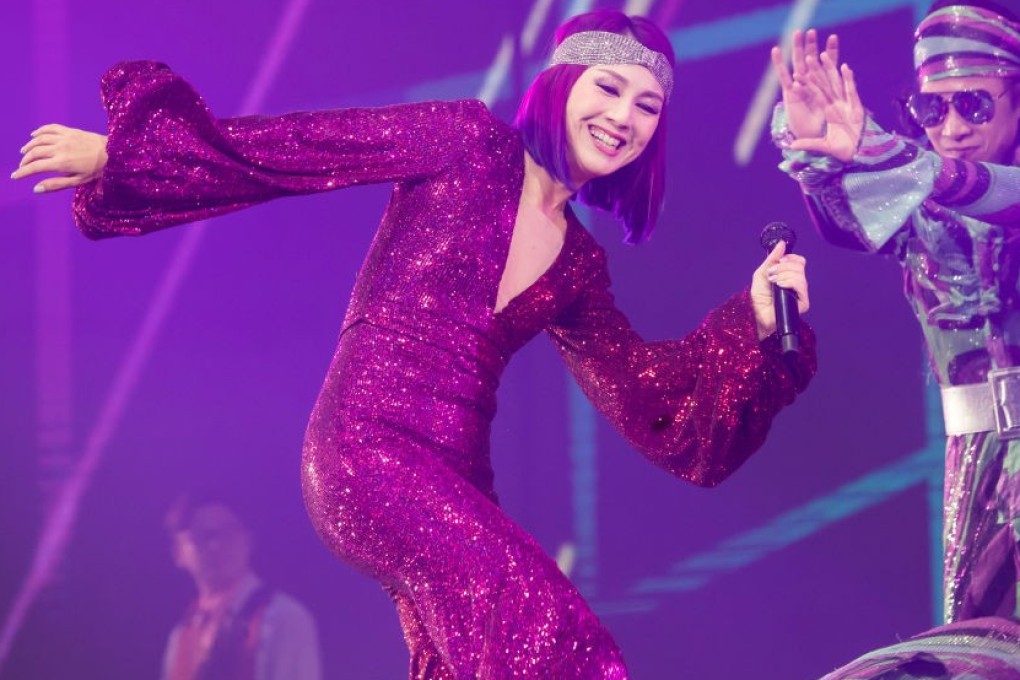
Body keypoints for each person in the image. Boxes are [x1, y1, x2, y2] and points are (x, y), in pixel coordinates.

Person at [14, 10, 815, 678]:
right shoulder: (466, 141)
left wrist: (752, 320)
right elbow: (303, 149)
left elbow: (649, 398)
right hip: (367, 449)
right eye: (609, 87)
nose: (624, 117)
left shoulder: (579, 263)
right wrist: (124, 153)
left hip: (459, 479)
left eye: (648, 106)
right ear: (562, 82)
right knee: (549, 631)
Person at [770, 1, 1020, 677]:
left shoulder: (967, 184)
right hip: (978, 471)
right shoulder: (921, 212)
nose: (953, 128)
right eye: (933, 109)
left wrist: (879, 152)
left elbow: (989, 193)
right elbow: (844, 223)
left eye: (974, 104)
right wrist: (822, 156)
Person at [163, 492, 322, 680]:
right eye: (203, 536)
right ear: (178, 552)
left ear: (249, 540)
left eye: (228, 532)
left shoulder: (282, 618)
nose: (216, 545)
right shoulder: (182, 633)